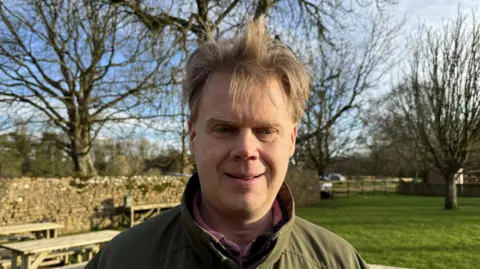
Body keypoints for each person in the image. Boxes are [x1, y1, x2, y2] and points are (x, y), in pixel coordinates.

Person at [86, 17, 369, 269]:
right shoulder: (122, 259)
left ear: (291, 140)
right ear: (193, 137)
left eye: (266, 130)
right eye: (224, 129)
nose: (246, 149)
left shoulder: (339, 261)